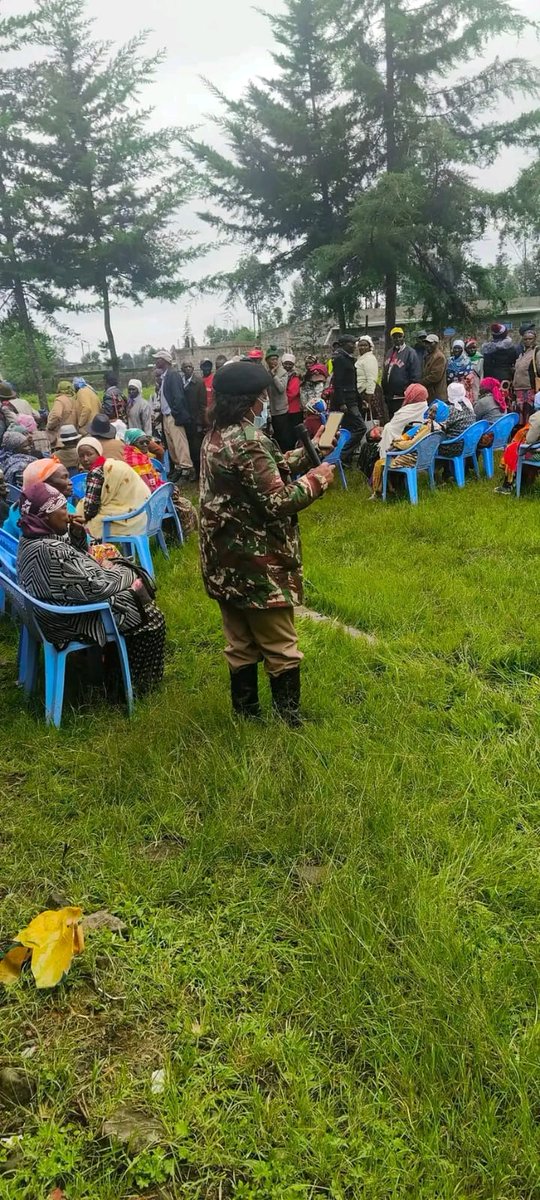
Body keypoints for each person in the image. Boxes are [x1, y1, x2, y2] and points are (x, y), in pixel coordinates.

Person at [199, 361, 335, 725]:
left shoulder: (216, 436)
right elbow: (276, 501)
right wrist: (317, 480)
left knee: (240, 643)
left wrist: (307, 453)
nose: (263, 405)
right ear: (250, 402)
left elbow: (261, 473)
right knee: (280, 645)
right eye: (261, 398)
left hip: (224, 561)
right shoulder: (248, 441)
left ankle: (246, 718)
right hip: (257, 564)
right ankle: (289, 722)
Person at [17, 481, 165, 695]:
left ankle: (115, 673)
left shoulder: (31, 537)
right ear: (44, 515)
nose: (67, 511)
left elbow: (69, 572)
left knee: (130, 594)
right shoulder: (50, 549)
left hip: (48, 611)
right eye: (60, 507)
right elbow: (99, 587)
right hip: (68, 620)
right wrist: (127, 571)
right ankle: (131, 688)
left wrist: (77, 536)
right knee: (150, 617)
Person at [123, 429, 198, 535]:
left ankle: (176, 535)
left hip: (148, 499)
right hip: (144, 504)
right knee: (185, 506)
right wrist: (166, 492)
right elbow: (146, 488)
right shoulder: (135, 461)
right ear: (131, 444)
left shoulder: (138, 457)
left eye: (147, 442)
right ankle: (179, 537)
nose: (145, 445)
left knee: (180, 501)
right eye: (141, 443)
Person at [369, 399, 449, 497]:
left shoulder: (428, 427)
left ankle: (379, 493)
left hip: (412, 459)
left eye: (434, 412)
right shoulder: (439, 428)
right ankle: (390, 489)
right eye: (430, 410)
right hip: (425, 459)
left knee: (379, 463)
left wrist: (396, 444)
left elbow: (411, 445)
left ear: (440, 414)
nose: (430, 413)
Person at [76, 436, 151, 540]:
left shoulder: (96, 472)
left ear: (98, 453)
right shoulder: (115, 464)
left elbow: (90, 509)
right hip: (143, 513)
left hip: (126, 521)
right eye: (81, 456)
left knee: (80, 521)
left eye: (89, 454)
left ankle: (93, 552)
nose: (85, 459)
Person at [153, 349, 194, 481]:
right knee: (172, 445)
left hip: (173, 415)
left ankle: (187, 469)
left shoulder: (173, 375)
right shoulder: (165, 376)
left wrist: (175, 413)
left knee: (180, 444)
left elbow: (178, 397)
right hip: (166, 416)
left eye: (158, 359)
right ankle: (178, 468)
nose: (155, 361)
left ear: (164, 361)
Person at [496, 393, 540, 495]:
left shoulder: (537, 417)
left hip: (538, 455)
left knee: (514, 450)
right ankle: (524, 481)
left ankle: (509, 484)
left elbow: (530, 439)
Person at [330, 335, 366, 459]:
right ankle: (342, 455)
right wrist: (342, 402)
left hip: (351, 398)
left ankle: (344, 458)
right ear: (344, 344)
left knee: (346, 428)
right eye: (352, 343)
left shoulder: (347, 358)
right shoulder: (340, 359)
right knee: (361, 427)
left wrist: (361, 399)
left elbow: (353, 383)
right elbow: (337, 382)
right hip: (346, 400)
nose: (354, 346)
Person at [381, 327, 421, 418]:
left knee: (402, 420)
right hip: (389, 397)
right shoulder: (389, 352)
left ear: (404, 337)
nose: (397, 339)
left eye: (400, 336)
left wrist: (409, 392)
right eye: (395, 337)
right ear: (392, 339)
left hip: (402, 397)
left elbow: (416, 376)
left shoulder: (410, 353)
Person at [181, 361, 208, 478]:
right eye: (185, 367)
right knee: (189, 448)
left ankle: (200, 472)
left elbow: (203, 405)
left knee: (197, 449)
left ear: (193, 368)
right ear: (182, 369)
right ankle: (195, 471)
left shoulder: (199, 383)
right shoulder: (180, 383)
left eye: (190, 367)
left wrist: (201, 422)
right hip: (185, 420)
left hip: (195, 420)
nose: (188, 369)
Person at [436, 381, 475, 459]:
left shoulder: (451, 410)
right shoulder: (469, 407)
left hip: (454, 447)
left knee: (431, 443)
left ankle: (434, 468)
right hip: (470, 444)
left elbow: (439, 428)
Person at [512, 329, 540, 426]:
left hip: (529, 388)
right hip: (518, 389)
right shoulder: (521, 354)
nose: (528, 341)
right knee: (520, 415)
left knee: (529, 413)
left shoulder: (536, 352)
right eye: (525, 339)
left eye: (530, 339)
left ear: (534, 339)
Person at [265, 347, 290, 452]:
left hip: (281, 409)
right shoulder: (266, 373)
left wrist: (274, 375)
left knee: (282, 435)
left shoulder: (283, 372)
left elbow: (281, 389)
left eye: (276, 359)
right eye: (272, 359)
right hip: (270, 410)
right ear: (267, 361)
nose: (274, 362)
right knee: (272, 435)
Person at [47, 381, 78, 445]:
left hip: (62, 434)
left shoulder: (60, 400)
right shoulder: (74, 400)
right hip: (73, 432)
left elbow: (56, 415)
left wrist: (49, 426)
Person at [281, 352, 303, 443]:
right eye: (286, 364)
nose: (287, 366)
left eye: (290, 364)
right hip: (285, 408)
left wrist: (281, 399)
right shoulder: (282, 375)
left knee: (291, 432)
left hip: (293, 409)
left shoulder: (294, 376)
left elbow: (293, 393)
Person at [356, 335, 379, 417]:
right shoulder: (361, 358)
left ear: (370, 347)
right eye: (360, 345)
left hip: (368, 393)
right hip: (361, 392)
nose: (362, 347)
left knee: (372, 418)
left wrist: (368, 397)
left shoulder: (369, 359)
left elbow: (371, 379)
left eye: (365, 345)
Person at [422, 334, 448, 403]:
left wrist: (420, 382)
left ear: (436, 344)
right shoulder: (429, 356)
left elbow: (435, 377)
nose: (427, 345)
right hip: (430, 395)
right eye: (426, 343)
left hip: (437, 395)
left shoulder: (439, 357)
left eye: (430, 343)